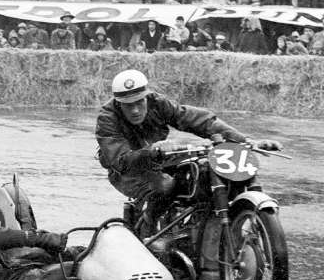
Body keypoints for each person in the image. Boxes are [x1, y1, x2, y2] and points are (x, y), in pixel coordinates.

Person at [95, 70, 279, 234]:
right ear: (119, 104)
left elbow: (193, 119)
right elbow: (120, 161)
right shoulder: (107, 118)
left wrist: (245, 141)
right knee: (165, 186)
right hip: (128, 170)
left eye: (139, 102)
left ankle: (199, 223)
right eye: (128, 105)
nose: (135, 110)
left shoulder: (157, 103)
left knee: (202, 170)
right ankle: (148, 222)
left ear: (147, 96)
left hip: (162, 158)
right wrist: (152, 151)